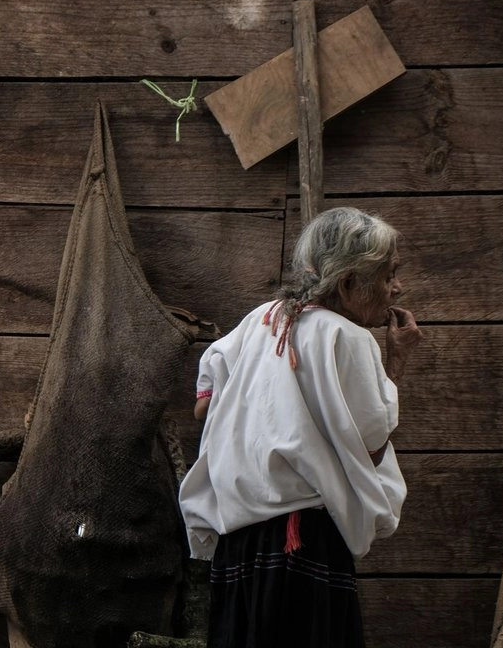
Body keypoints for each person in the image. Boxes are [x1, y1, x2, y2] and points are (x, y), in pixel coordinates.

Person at [178, 206, 421, 648]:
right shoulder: (349, 338)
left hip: (239, 541)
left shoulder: (263, 320)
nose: (396, 287)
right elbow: (369, 449)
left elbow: (205, 397)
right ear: (348, 283)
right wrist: (396, 366)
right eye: (388, 275)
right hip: (300, 539)